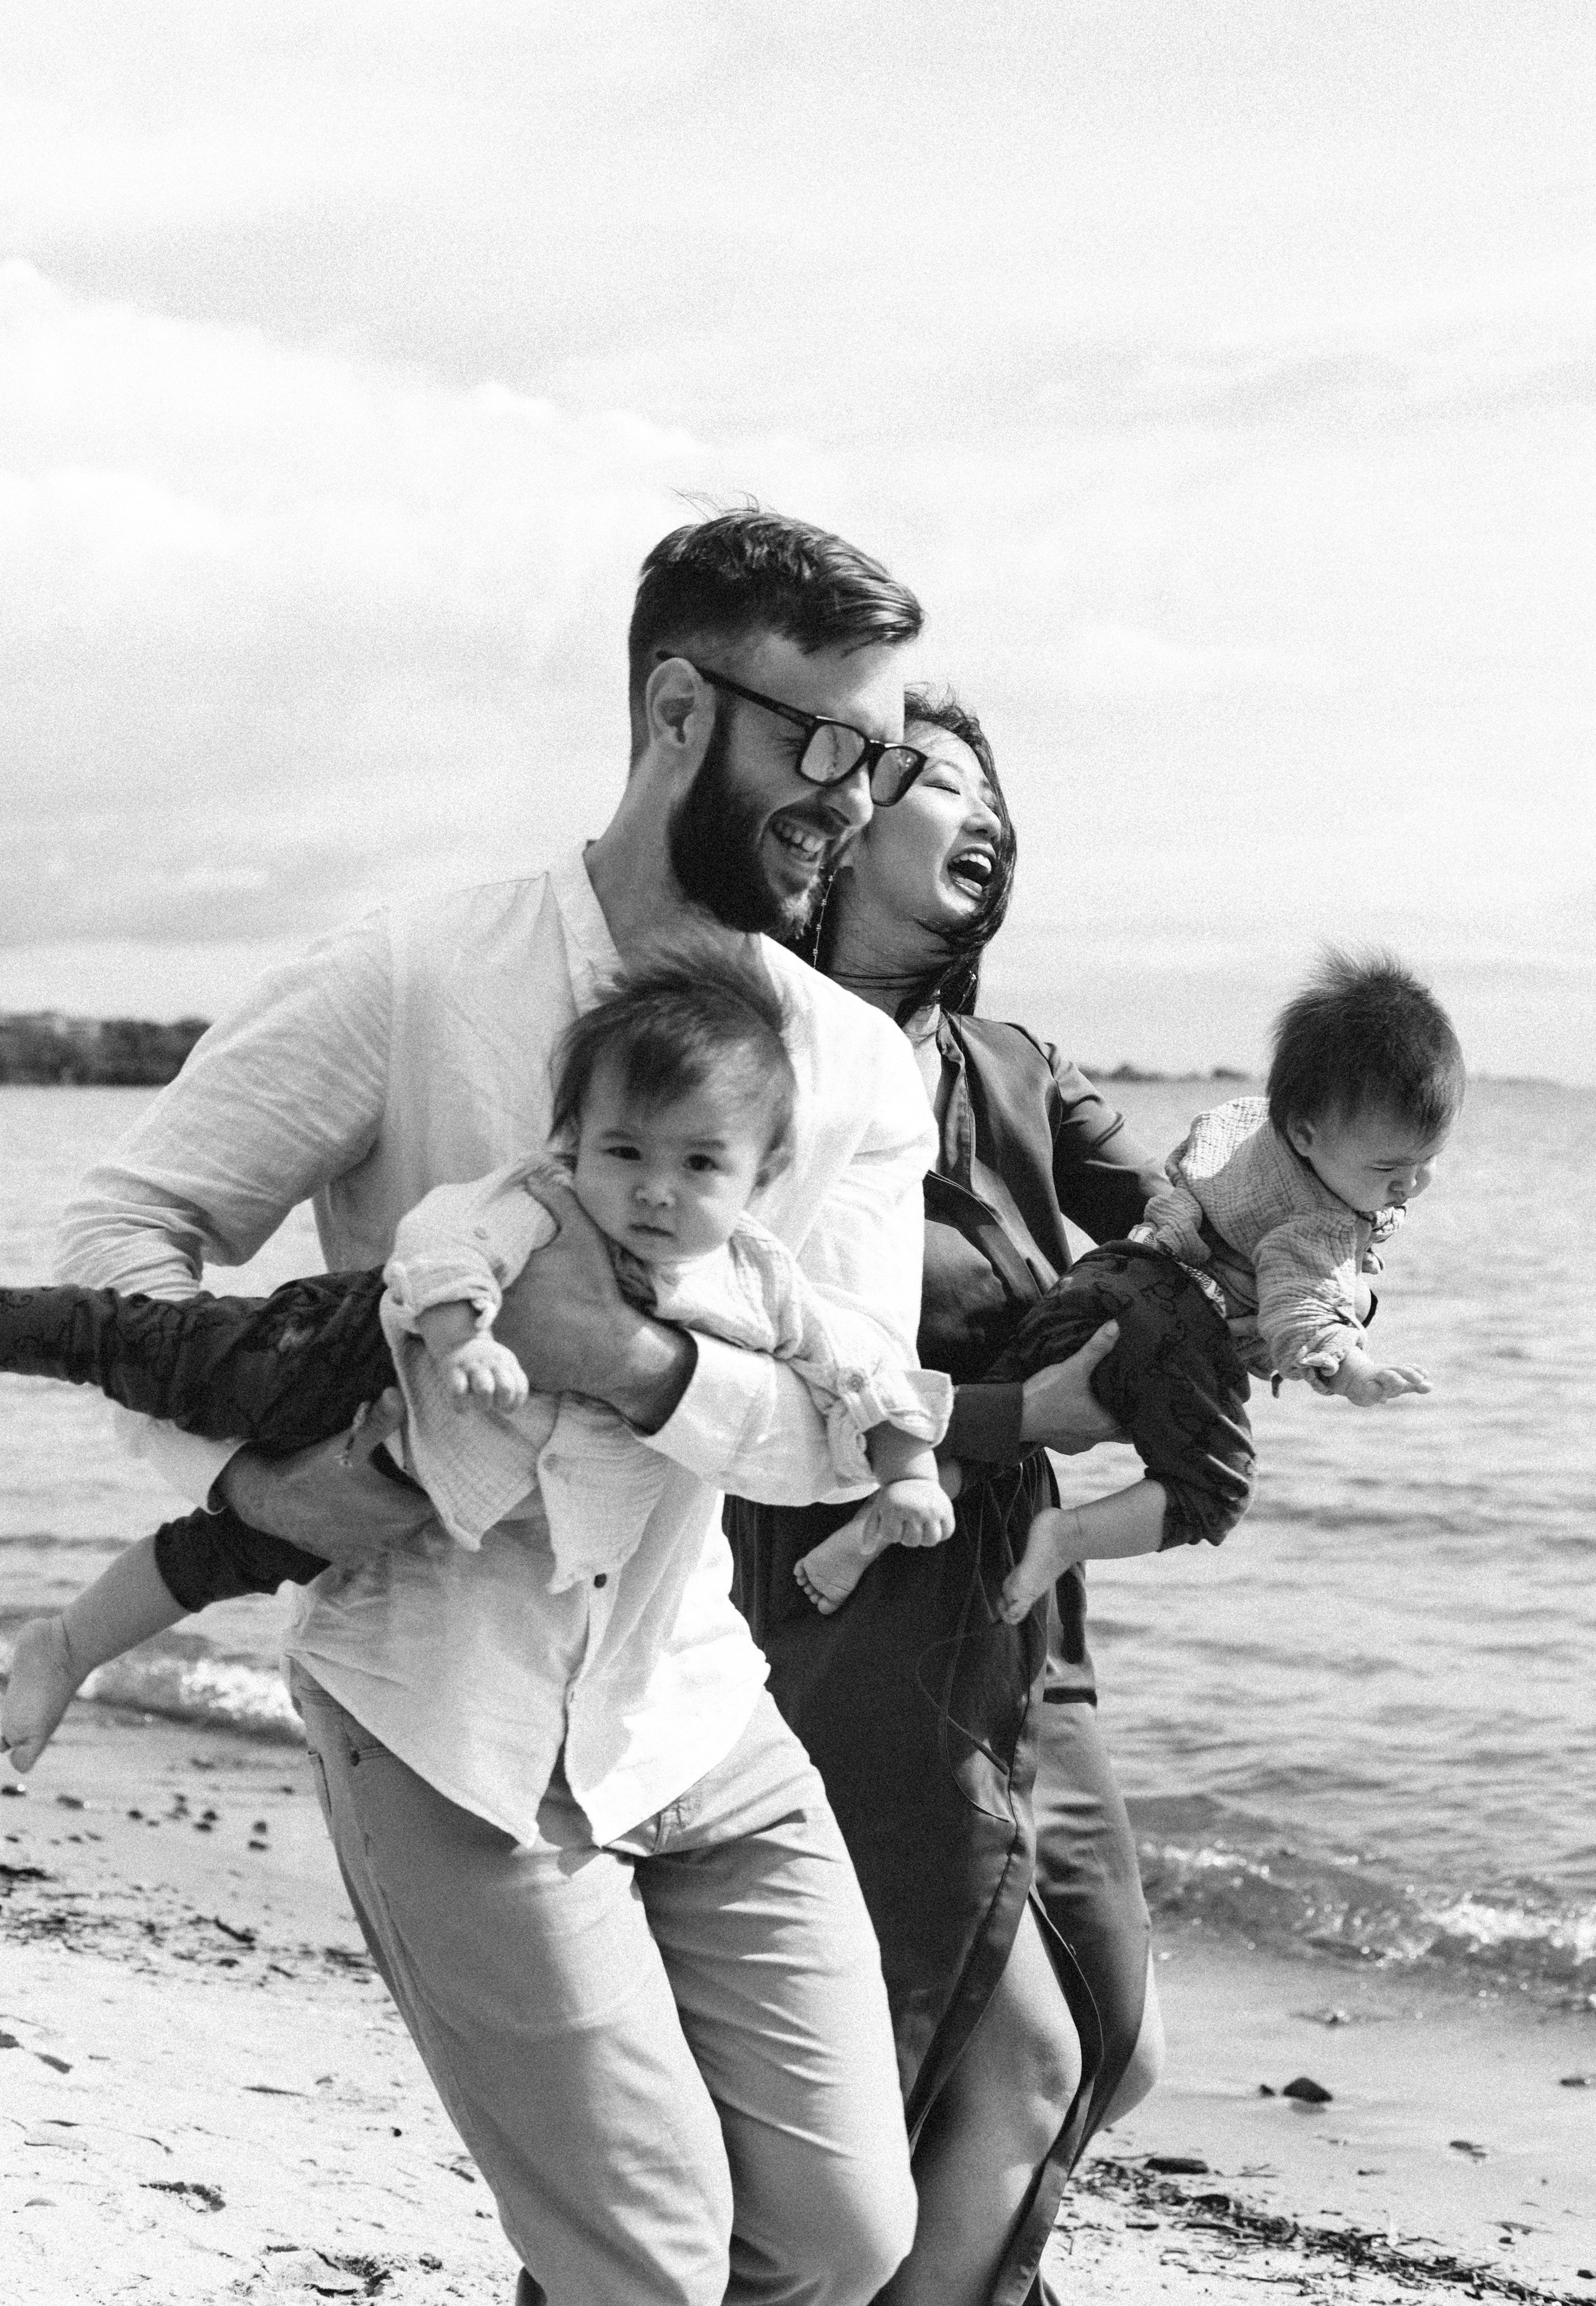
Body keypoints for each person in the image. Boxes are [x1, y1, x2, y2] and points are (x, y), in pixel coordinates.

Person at [45, 510, 956, 2306]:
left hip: (697, 1704)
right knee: (652, 2259)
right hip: (440, 1705)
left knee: (848, 2238)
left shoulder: (848, 1066)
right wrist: (263, 1475)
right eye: (825, 741)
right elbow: (119, 1234)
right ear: (680, 708)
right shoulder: (413, 973)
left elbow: (850, 1419)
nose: (856, 797)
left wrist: (630, 1363)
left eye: (888, 753)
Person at [727, 688, 1259, 2306]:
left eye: (999, 799)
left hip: (1031, 1615)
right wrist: (1027, 1406)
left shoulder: (1018, 1072)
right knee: (1005, 2060)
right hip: (849, 1606)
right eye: (943, 782)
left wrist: (1296, 1251)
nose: (989, 817)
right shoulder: (763, 1059)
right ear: (843, 827)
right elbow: (763, 1359)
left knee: (1117, 2047)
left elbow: (1193, 1230)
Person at [1, 947, 953, 1777]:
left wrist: (907, 1471)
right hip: (344, 1355)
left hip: (404, 1480)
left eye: (701, 1166)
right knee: (157, 1352)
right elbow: (446, 1244)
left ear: (764, 1172)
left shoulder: (759, 1281)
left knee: (230, 1556)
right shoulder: (547, 1202)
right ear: (575, 1140)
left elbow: (858, 1372)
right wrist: (468, 1337)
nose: (656, 1191)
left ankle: (69, 1642)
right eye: (625, 1151)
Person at [997, 949, 1461, 1622]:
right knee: (1212, 1493)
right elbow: (1302, 1308)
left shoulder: (1245, 1121)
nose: (1409, 1185)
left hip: (1099, 1278)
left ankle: (893, 1506)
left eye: (1427, 1161)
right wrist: (1355, 1371)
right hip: (1171, 1324)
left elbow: (1179, 1180)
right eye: (1389, 1168)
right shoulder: (1321, 1225)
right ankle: (1068, 1535)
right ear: (1305, 1135)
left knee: (1004, 1403)